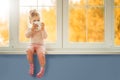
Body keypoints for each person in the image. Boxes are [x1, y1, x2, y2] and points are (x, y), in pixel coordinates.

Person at [25, 9, 47, 78]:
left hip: (40, 45)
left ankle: (42, 69)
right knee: (28, 51)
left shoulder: (41, 28)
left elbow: (45, 37)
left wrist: (43, 29)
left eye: (38, 20)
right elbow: (27, 36)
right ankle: (31, 66)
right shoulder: (30, 28)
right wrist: (32, 30)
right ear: (30, 22)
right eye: (34, 21)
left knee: (41, 54)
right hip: (32, 44)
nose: (36, 22)